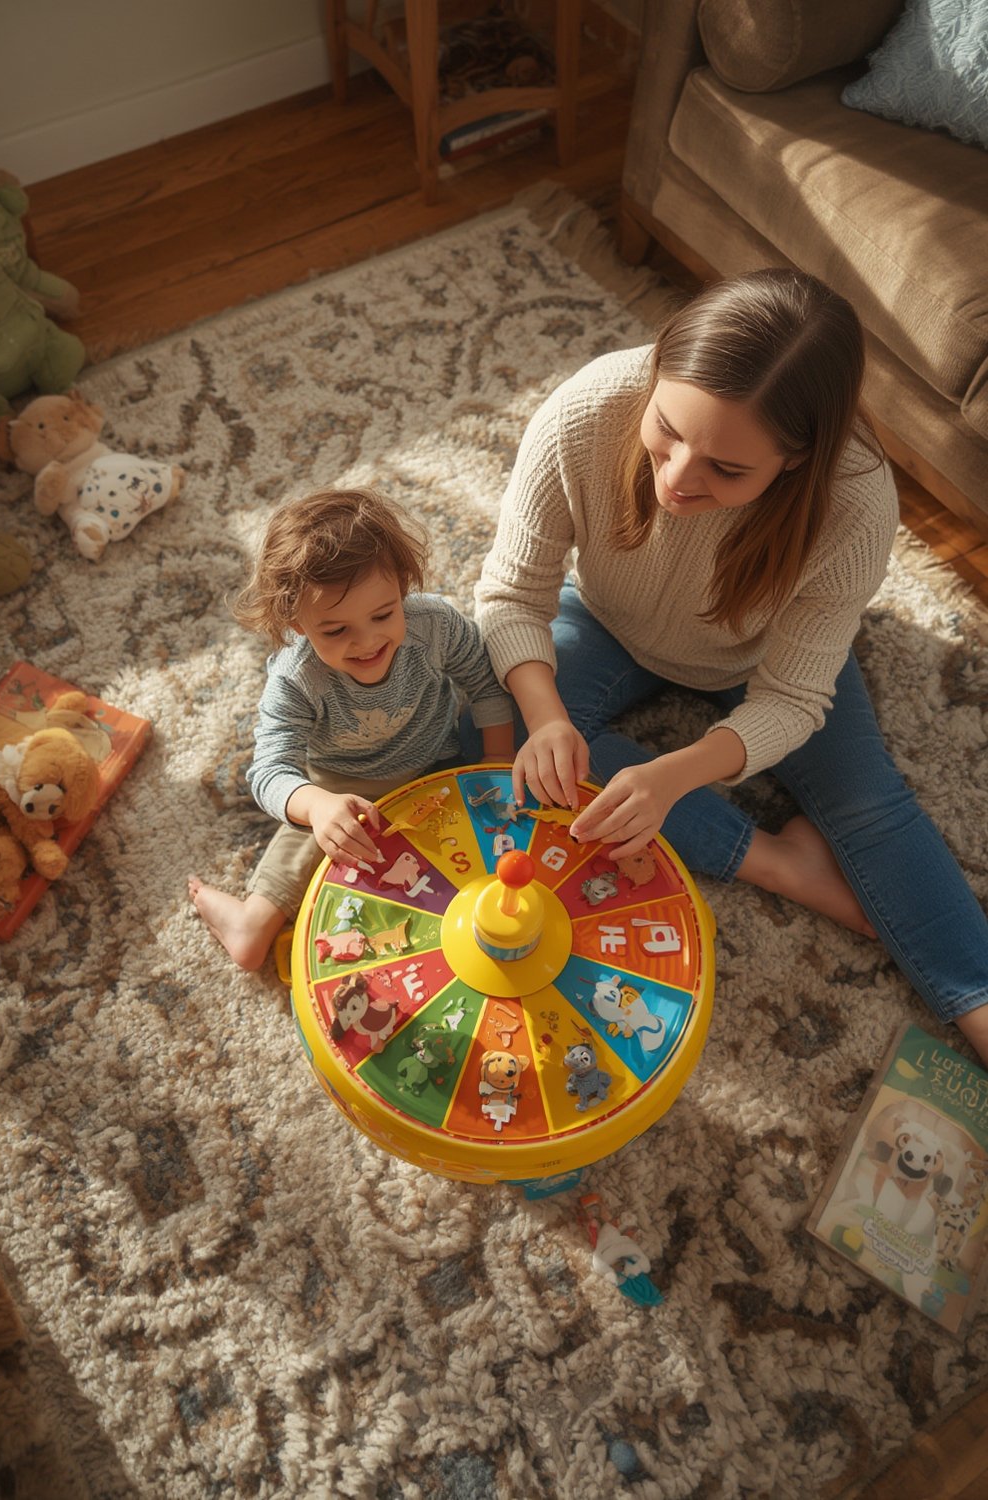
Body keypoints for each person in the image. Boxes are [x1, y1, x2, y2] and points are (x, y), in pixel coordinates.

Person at [475, 268, 988, 1062]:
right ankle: (778, 862)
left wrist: (676, 773)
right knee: (496, 731)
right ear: (653, 377)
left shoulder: (855, 504)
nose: (678, 478)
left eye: (726, 469)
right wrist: (544, 716)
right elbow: (512, 594)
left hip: (758, 663)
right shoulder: (586, 408)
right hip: (610, 622)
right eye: (668, 431)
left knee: (870, 803)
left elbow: (792, 696)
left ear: (796, 460)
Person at [191, 488, 514, 970]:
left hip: (439, 762)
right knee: (255, 940)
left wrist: (495, 770)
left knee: (470, 884)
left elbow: (488, 687)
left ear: (404, 587)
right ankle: (242, 919)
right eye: (335, 631)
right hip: (344, 787)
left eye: (383, 615)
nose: (366, 641)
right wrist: (318, 807)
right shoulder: (297, 678)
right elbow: (268, 772)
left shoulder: (435, 624)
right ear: (295, 623)